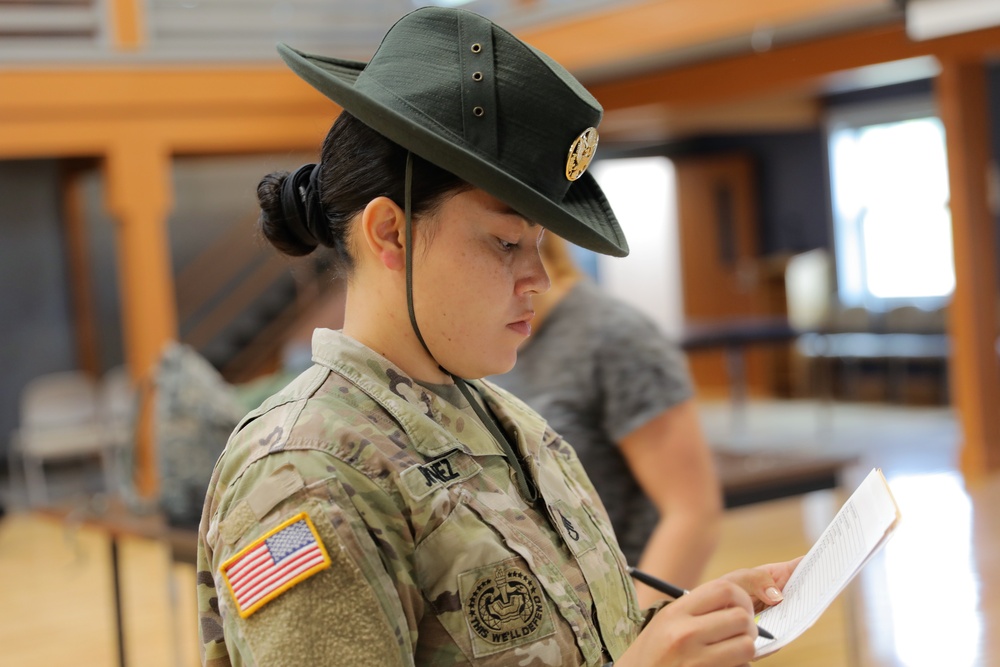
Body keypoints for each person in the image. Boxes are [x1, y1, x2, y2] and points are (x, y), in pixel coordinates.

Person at [196, 7, 799, 667]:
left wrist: (682, 628)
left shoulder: (504, 418)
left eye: (538, 243)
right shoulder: (302, 477)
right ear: (391, 233)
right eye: (507, 241)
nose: (538, 276)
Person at [490, 233, 722, 606]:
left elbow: (693, 514)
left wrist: (636, 644)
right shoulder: (475, 342)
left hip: (613, 617)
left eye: (503, 241)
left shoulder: (614, 336)